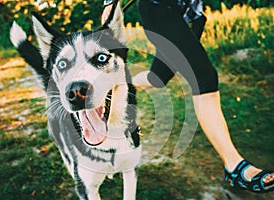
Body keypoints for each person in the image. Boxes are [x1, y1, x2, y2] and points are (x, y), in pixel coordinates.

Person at [102, 0, 274, 193]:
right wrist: (109, 6)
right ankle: (234, 166)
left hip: (187, 14)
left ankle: (113, 83)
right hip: (159, 9)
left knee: (157, 78)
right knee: (204, 76)